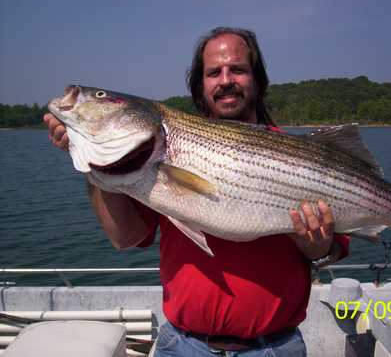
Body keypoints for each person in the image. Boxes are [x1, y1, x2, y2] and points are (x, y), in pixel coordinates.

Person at [44, 27, 350, 356]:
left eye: (238, 69)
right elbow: (125, 237)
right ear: (200, 84)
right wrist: (92, 164)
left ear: (257, 80)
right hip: (182, 345)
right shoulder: (149, 160)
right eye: (213, 72)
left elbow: (334, 249)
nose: (225, 80)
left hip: (274, 347)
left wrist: (318, 248)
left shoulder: (298, 152)